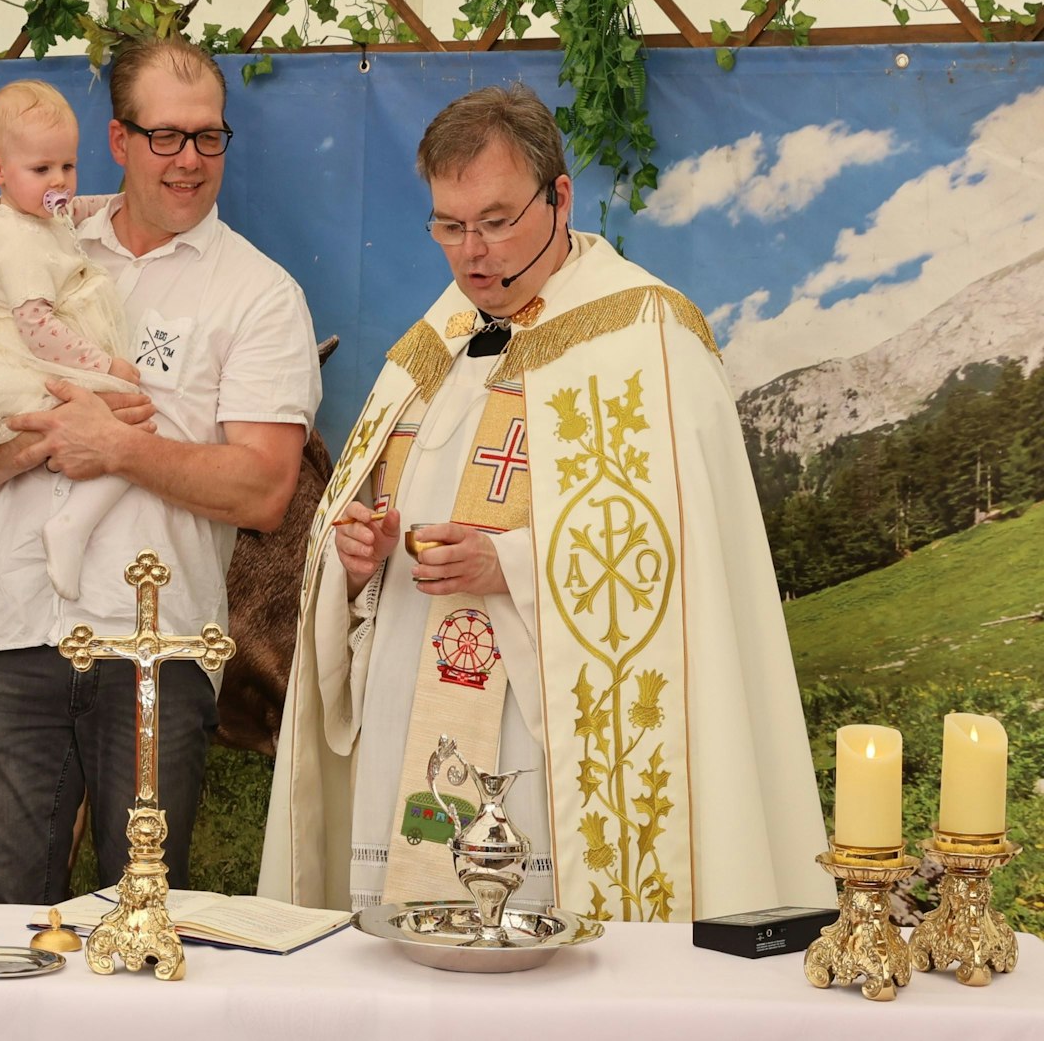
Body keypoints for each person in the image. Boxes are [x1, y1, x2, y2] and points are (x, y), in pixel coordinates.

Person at [261, 84, 832, 920]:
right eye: (449, 226)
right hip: (410, 701)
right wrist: (356, 559)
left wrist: (509, 562)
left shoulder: (648, 338)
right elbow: (363, 522)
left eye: (495, 222)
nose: (471, 254)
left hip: (545, 726)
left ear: (560, 197)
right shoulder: (434, 343)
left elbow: (676, 563)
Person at [0, 39, 322, 905]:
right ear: (118, 139)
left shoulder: (259, 294)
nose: (188, 159)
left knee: (142, 916)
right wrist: (41, 441)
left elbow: (263, 489)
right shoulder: (37, 243)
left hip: (153, 651)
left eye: (208, 137)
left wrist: (119, 448)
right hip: (8, 635)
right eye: (165, 136)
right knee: (3, 919)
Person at [0, 79, 142, 671]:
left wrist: (116, 203)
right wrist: (105, 368)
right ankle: (71, 525)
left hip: (18, 353)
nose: (60, 182)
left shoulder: (32, 207)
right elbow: (38, 326)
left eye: (68, 165)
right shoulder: (15, 239)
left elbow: (71, 212)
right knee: (131, 421)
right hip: (24, 360)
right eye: (43, 169)